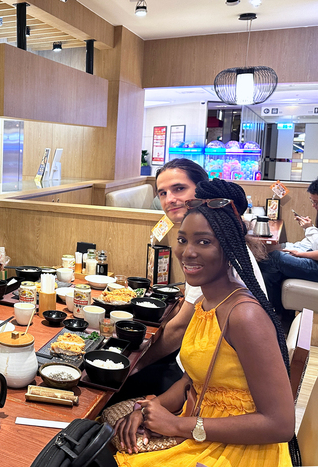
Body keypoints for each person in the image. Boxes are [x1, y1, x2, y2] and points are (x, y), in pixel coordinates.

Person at [114, 179, 297, 467]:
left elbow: (281, 425)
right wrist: (150, 408)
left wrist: (176, 426)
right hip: (202, 427)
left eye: (204, 242)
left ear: (229, 248)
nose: (188, 252)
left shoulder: (244, 316)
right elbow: (193, 382)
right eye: (183, 239)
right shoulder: (205, 304)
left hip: (241, 451)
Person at [112, 160, 267, 403]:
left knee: (110, 388)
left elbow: (180, 328)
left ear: (202, 192)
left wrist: (133, 366)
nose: (169, 199)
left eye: (179, 189)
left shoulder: (217, 256)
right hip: (199, 367)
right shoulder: (221, 241)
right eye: (162, 193)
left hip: (214, 383)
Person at [260, 178, 318, 330]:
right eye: (312, 201)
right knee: (273, 258)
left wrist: (300, 252)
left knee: (273, 258)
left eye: (316, 202)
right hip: (312, 256)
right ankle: (278, 315)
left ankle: (274, 314)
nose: (314, 206)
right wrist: (293, 248)